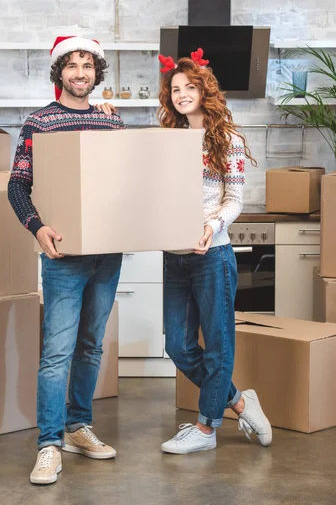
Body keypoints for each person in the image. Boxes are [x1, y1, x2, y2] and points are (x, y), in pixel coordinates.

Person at [8, 36, 125, 484]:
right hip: (63, 255)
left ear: (96, 73)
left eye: (87, 65)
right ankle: (49, 444)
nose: (80, 73)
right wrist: (38, 228)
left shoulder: (112, 123)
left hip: (107, 253)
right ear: (60, 73)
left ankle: (78, 427)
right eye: (71, 65)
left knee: (91, 346)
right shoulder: (40, 122)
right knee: (57, 353)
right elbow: (18, 187)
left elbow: (123, 183)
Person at [157, 49, 272, 455]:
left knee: (219, 344)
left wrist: (210, 227)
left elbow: (234, 199)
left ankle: (206, 430)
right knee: (178, 345)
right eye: (175, 89)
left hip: (213, 254)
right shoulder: (167, 142)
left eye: (190, 87)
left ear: (206, 92)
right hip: (174, 255)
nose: (182, 94)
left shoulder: (228, 140)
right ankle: (240, 400)